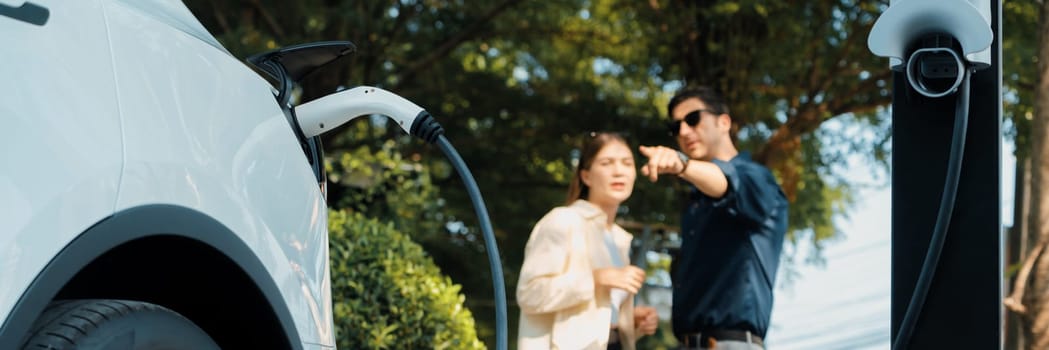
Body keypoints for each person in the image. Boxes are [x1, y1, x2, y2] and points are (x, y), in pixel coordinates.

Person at [638, 86, 788, 350]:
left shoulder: (756, 178)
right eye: (676, 127)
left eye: (693, 119)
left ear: (724, 122)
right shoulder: (696, 203)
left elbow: (727, 182)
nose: (684, 132)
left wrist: (681, 165)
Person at [517, 132, 660, 350]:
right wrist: (596, 278)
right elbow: (529, 294)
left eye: (627, 163)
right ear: (586, 176)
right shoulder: (563, 221)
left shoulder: (620, 239)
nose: (618, 171)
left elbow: (592, 319)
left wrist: (630, 319)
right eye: (606, 163)